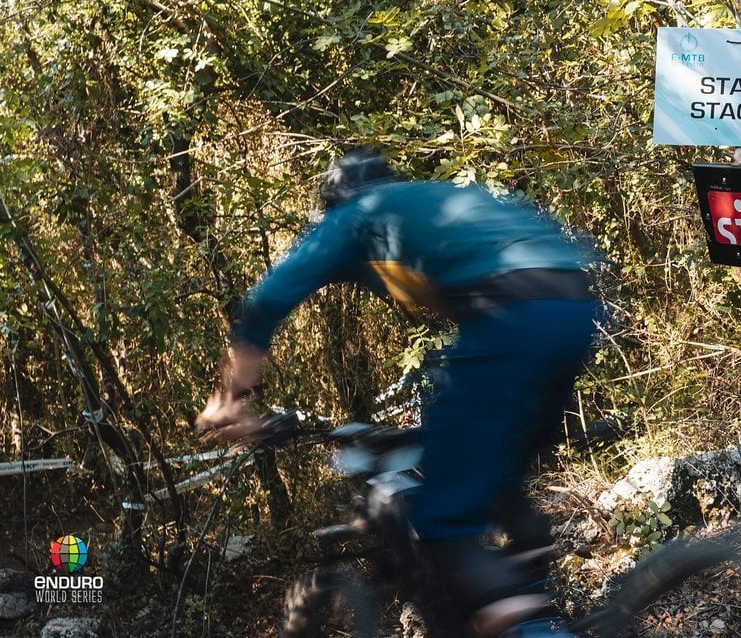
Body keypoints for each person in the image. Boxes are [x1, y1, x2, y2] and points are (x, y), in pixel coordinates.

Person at [196, 147, 600, 638]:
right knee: (496, 471)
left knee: (441, 518)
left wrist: (231, 398)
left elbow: (266, 300)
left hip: (511, 314)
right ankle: (535, 575)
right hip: (576, 305)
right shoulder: (427, 202)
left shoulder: (355, 215)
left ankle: (522, 619)